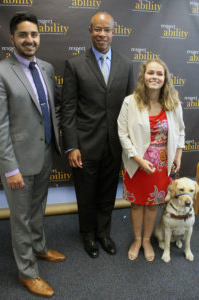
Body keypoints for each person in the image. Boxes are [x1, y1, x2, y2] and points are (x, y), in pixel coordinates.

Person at [0, 12, 65, 297]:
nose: (29, 40)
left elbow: (51, 110)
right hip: (17, 162)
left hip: (44, 154)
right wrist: (10, 169)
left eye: (34, 35)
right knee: (20, 219)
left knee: (37, 210)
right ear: (12, 39)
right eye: (23, 35)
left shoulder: (46, 68)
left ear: (39, 37)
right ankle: (27, 273)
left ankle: (39, 247)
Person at [61, 11, 134, 258]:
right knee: (86, 194)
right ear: (90, 31)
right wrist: (72, 146)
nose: (102, 34)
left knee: (107, 192)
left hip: (114, 144)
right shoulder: (74, 64)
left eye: (107, 29)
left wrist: (130, 146)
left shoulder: (126, 65)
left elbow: (131, 108)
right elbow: (68, 108)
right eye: (97, 29)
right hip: (84, 144)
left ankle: (104, 234)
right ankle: (88, 236)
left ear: (114, 32)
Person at [117, 59, 185, 261]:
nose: (155, 77)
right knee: (137, 204)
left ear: (165, 78)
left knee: (153, 204)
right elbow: (122, 134)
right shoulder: (130, 101)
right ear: (143, 76)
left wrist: (178, 155)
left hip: (161, 165)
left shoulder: (173, 102)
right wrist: (138, 160)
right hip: (135, 163)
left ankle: (147, 240)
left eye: (159, 74)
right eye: (150, 73)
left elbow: (180, 131)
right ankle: (137, 239)